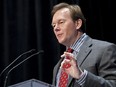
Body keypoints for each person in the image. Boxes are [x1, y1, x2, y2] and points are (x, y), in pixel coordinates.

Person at [51, 2, 116, 87]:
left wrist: (82, 76)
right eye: (54, 25)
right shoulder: (58, 67)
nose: (56, 28)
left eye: (61, 22)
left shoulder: (104, 50)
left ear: (77, 24)